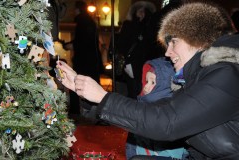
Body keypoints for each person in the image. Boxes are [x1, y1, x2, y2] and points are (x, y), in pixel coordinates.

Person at [57, 2, 239, 159]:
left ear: (198, 38)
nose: (167, 53)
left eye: (173, 42)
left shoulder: (227, 74)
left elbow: (166, 123)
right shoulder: (200, 76)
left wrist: (102, 97)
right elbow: (155, 111)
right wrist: (93, 98)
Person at [126, 58, 188, 160]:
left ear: (166, 86)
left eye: (153, 82)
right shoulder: (143, 107)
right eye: (146, 81)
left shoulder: (169, 114)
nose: (146, 87)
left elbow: (173, 154)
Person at [63, 0, 104, 117]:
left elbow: (81, 42)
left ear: (78, 9)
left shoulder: (82, 21)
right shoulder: (89, 21)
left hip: (84, 61)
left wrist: (70, 45)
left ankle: (76, 112)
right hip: (91, 61)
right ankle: (94, 111)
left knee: (77, 83)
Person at [116, 1, 158, 99]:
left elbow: (150, 45)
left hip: (144, 63)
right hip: (131, 64)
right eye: (139, 11)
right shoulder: (128, 25)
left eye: (143, 11)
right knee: (133, 90)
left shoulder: (147, 27)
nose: (141, 14)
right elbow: (122, 44)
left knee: (143, 88)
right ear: (134, 12)